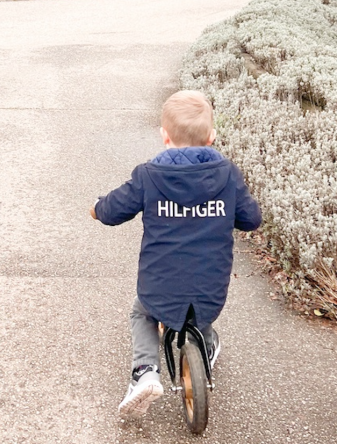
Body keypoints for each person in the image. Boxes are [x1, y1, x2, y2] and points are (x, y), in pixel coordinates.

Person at [90, 90, 261, 417]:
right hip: (211, 288)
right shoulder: (228, 174)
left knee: (142, 313)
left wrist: (98, 209)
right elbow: (251, 219)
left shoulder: (149, 176)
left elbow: (114, 210)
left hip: (160, 286)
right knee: (200, 310)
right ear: (211, 137)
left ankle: (144, 371)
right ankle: (204, 346)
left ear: (164, 136)